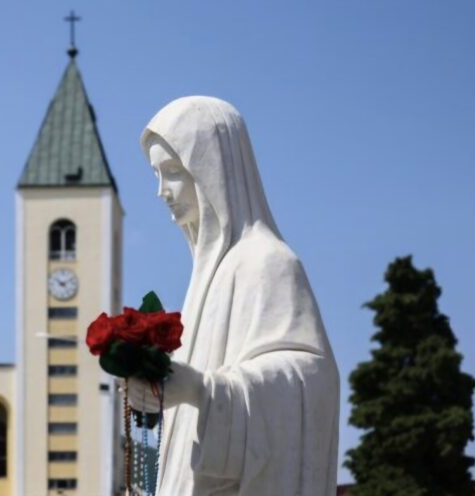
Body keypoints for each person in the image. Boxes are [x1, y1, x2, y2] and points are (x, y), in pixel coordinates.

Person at [128, 96, 339, 495]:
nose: (161, 191)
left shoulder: (268, 262)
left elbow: (314, 379)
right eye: (157, 175)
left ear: (214, 171)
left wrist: (202, 389)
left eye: (172, 172)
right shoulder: (206, 277)